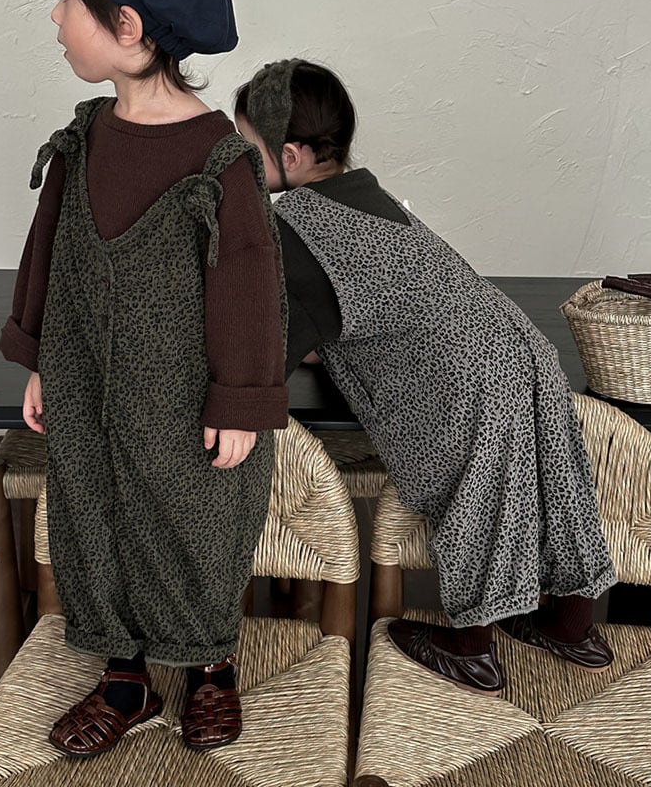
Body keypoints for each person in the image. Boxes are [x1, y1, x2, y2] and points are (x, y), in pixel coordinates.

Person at [234, 59, 616, 697]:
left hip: (462, 376)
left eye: (247, 147)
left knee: (477, 492)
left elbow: (265, 352)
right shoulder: (368, 193)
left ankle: (471, 649)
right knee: (555, 477)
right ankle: (572, 625)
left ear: (291, 156)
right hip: (519, 347)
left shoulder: (294, 227)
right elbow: (373, 300)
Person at [0, 0, 288, 757]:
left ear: (127, 26)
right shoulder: (85, 138)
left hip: (181, 402)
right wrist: (41, 360)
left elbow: (249, 286)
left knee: (191, 529)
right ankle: (125, 678)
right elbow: (50, 253)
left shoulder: (219, 157)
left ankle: (209, 667)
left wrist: (240, 401)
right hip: (87, 387)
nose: (55, 16)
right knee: (92, 519)